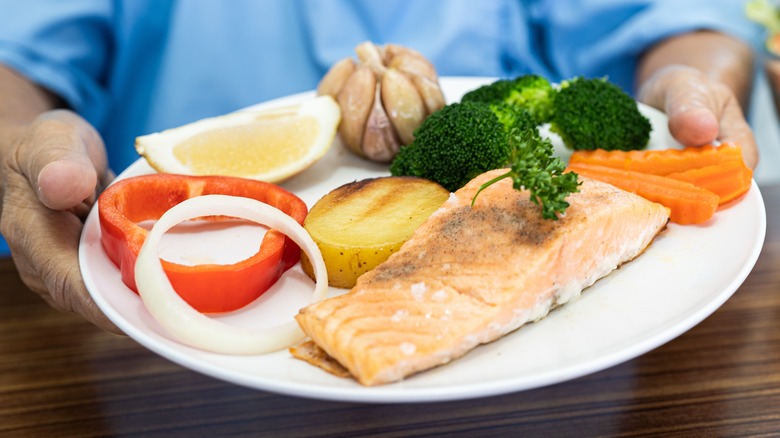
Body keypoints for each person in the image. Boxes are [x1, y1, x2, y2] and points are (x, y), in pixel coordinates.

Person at [0, 0, 761, 333]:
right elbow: (15, 57)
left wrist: (699, 84)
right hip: (148, 373)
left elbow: (688, 25)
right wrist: (20, 137)